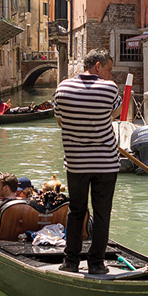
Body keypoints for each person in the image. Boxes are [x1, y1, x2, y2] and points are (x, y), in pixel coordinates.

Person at [53, 49, 121, 275]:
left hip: (76, 163)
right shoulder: (110, 89)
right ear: (98, 66)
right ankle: (97, 264)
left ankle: (70, 261)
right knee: (102, 214)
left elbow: (61, 122)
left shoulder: (62, 88)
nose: (110, 76)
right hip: (106, 163)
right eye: (108, 70)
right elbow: (116, 113)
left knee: (76, 211)